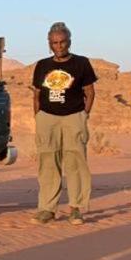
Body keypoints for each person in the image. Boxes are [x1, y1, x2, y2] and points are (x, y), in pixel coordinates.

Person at [30, 22, 98, 225]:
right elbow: (36, 94)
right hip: (47, 118)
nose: (59, 46)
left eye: (62, 42)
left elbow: (90, 92)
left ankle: (76, 208)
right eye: (54, 43)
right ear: (49, 44)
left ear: (69, 42)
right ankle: (47, 209)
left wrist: (84, 115)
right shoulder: (42, 65)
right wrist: (38, 116)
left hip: (73, 117)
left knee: (75, 161)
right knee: (48, 162)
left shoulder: (81, 63)